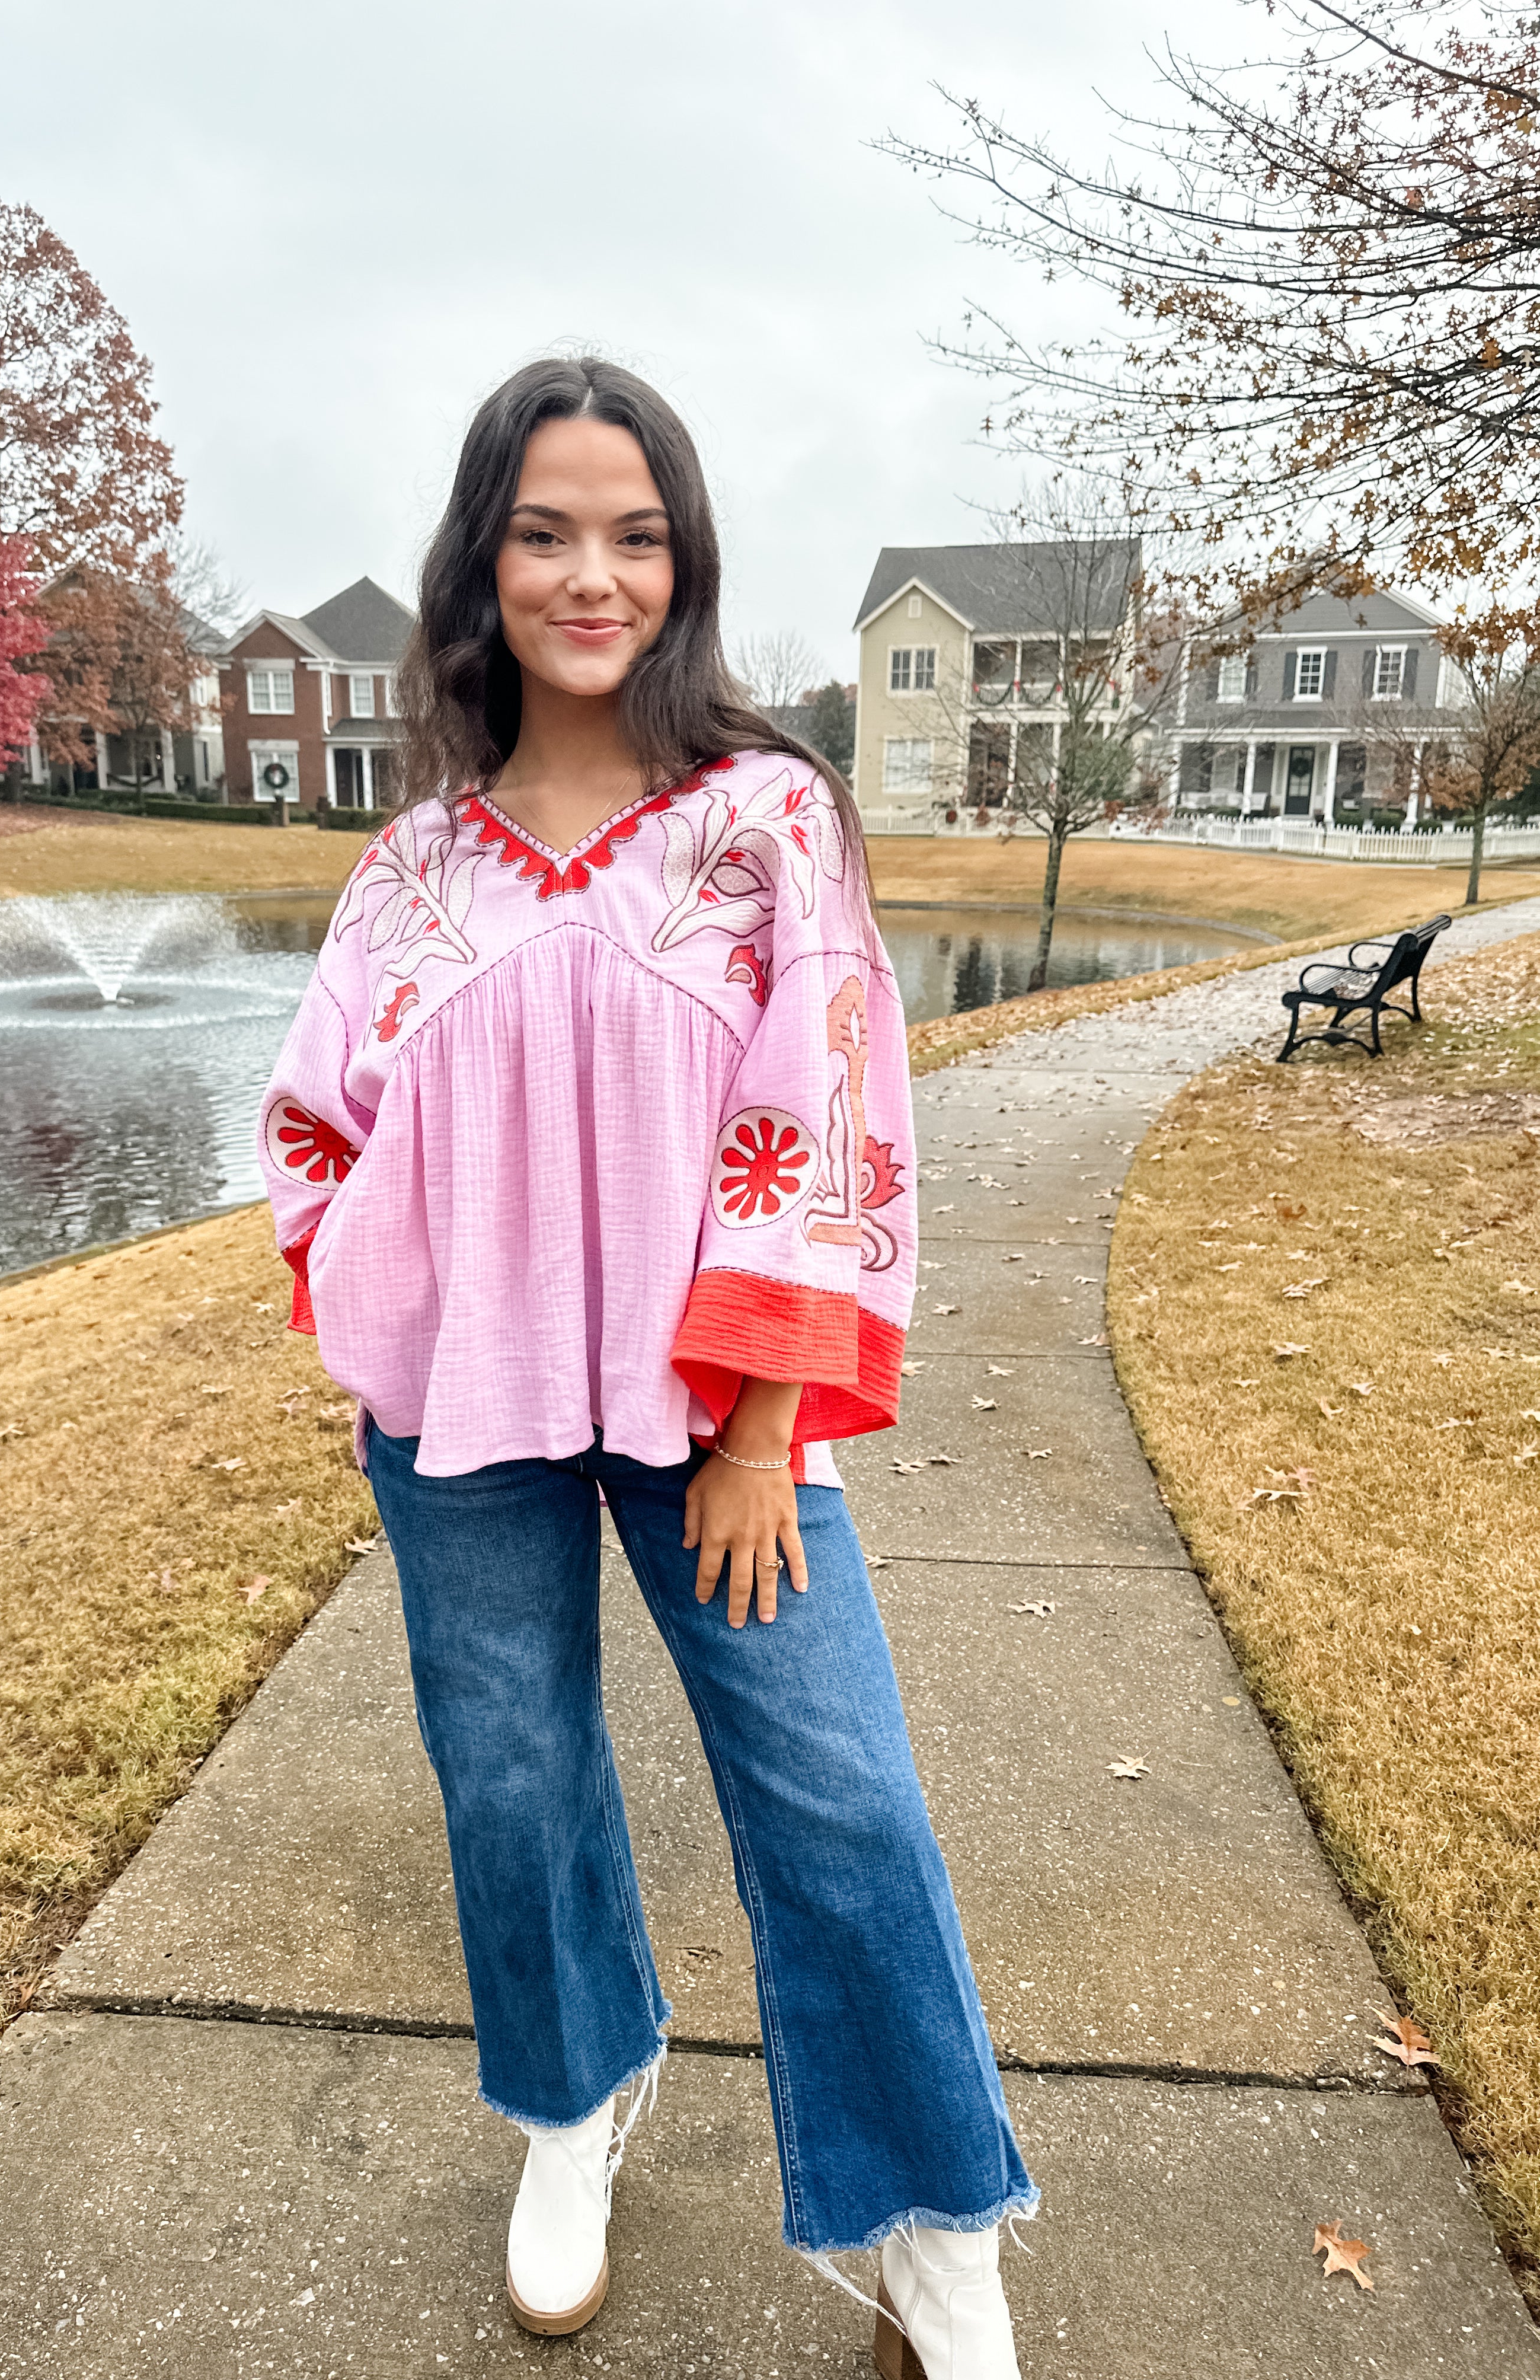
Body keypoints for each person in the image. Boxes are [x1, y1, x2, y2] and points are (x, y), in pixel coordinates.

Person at [257, 356, 1036, 2379]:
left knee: (842, 1797)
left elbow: (836, 1112)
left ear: (681, 561)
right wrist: (378, 1292)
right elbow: (312, 1121)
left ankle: (934, 2220)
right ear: (483, 558)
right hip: (463, 1415)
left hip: (723, 1416)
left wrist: (771, 1423)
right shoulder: (409, 868)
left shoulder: (768, 821)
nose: (587, 573)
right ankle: (569, 2104)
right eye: (542, 531)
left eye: (631, 533)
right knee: (508, 1785)